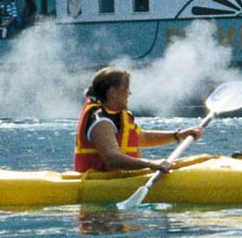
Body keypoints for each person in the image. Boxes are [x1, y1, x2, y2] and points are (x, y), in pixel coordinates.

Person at [73, 65, 208, 174]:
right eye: (126, 88)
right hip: (100, 183)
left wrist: (178, 135)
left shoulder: (116, 115)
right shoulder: (100, 120)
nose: (129, 93)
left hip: (120, 178)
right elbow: (112, 159)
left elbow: (141, 138)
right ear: (113, 93)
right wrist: (152, 164)